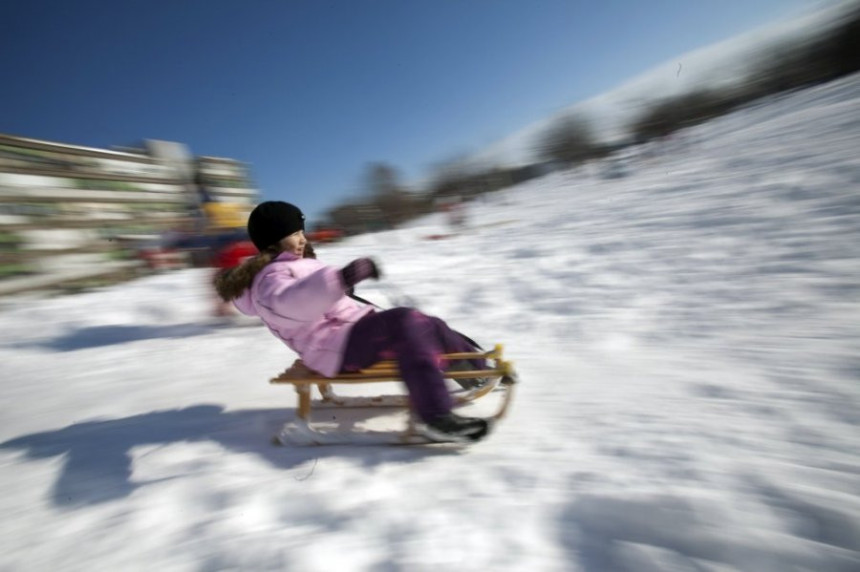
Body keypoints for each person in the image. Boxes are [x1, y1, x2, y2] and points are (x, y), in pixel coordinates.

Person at [214, 201, 489, 442]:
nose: (302, 239)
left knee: (427, 322)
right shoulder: (269, 280)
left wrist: (343, 290)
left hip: (350, 333)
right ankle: (436, 419)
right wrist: (342, 279)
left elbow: (320, 294)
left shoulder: (298, 264)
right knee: (406, 322)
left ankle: (477, 371)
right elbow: (295, 302)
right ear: (273, 241)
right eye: (294, 234)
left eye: (301, 232)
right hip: (333, 348)